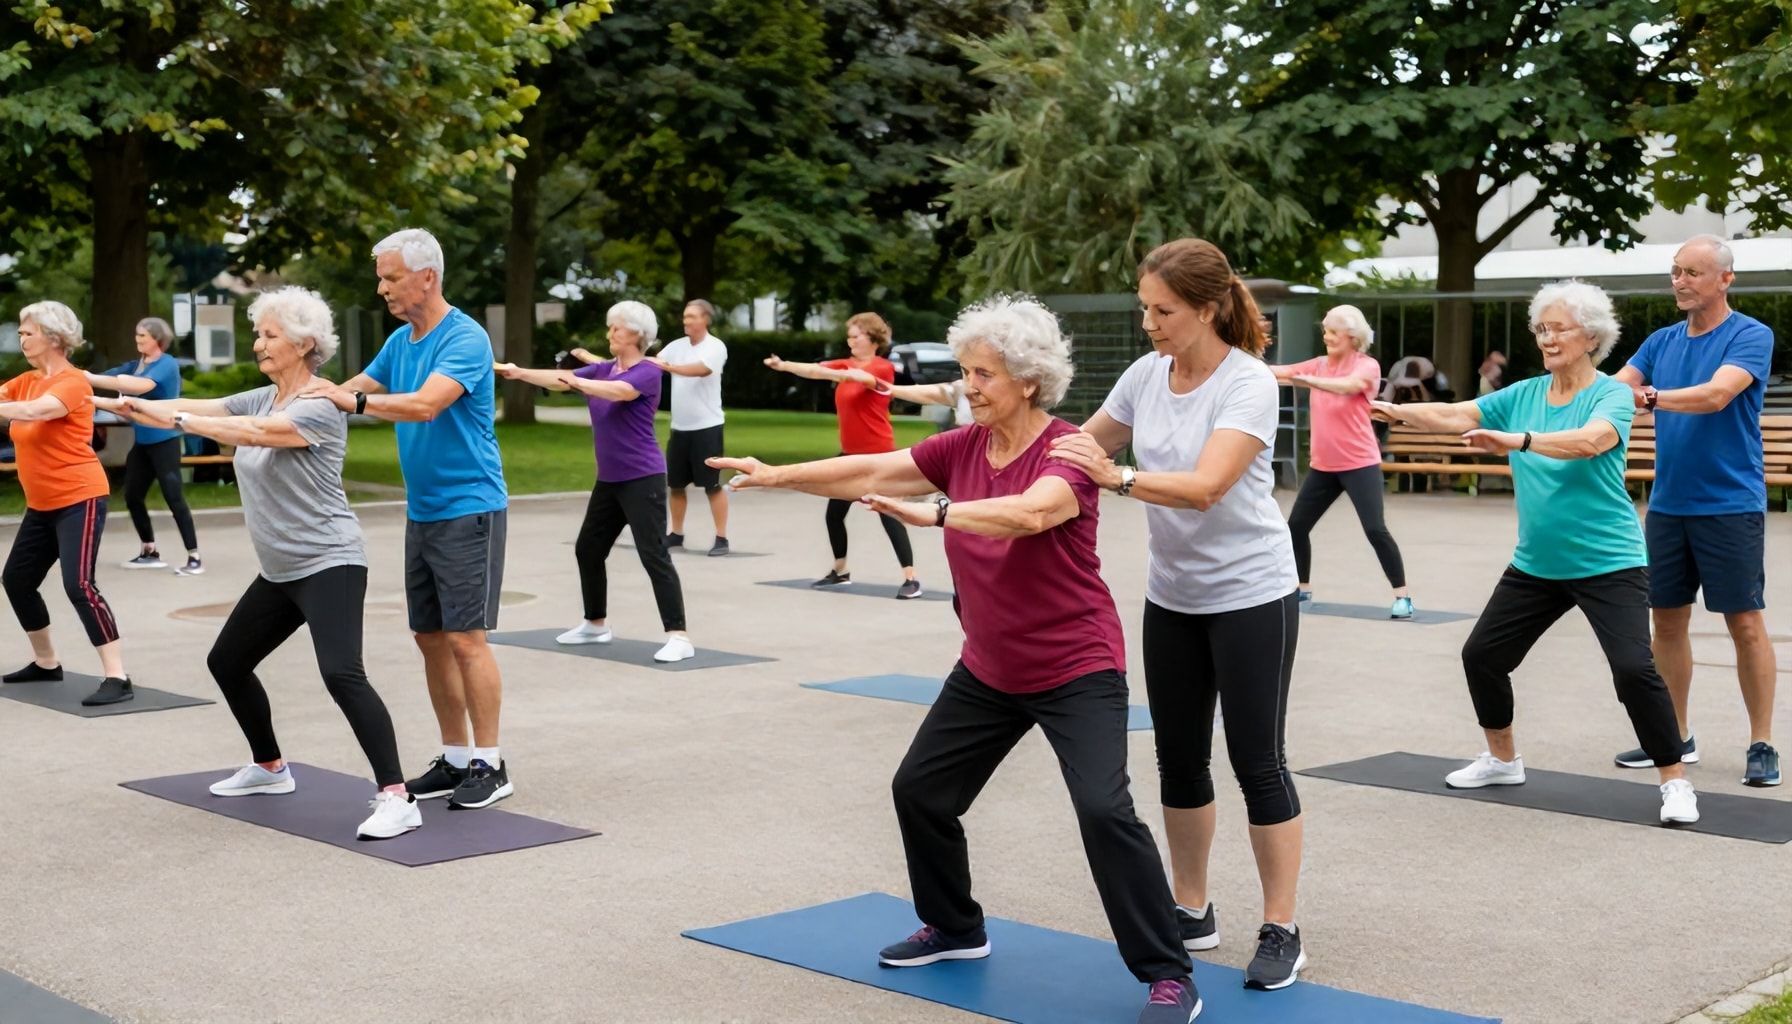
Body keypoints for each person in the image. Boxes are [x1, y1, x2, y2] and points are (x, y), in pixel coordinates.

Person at [711, 295, 1204, 1024]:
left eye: (984, 375)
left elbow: (1029, 514)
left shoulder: (1067, 451)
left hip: (1075, 665)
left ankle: (1168, 974)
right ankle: (956, 927)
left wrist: (939, 513)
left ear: (1029, 382)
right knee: (921, 792)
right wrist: (778, 474)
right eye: (967, 372)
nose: (968, 387)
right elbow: (872, 468)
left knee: (1104, 810)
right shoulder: (962, 447)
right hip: (991, 666)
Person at [1050, 238, 1308, 992]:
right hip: (1174, 596)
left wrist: (1117, 476)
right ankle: (1192, 908)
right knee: (1179, 758)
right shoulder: (1144, 376)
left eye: (1162, 311)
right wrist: (1011, 448)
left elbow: (1205, 486)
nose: (1149, 323)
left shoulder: (1249, 383)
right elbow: (1080, 445)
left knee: (1258, 761)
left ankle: (1282, 927)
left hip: (1254, 594)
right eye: (1144, 309)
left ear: (1205, 308)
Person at [1368, 279, 1699, 825]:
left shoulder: (1611, 394)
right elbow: (1459, 415)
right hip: (1537, 564)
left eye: (1558, 328)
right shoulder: (1523, 394)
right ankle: (1502, 760)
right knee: (1482, 657)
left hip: (1609, 560)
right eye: (1540, 328)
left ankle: (1675, 782)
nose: (1546, 338)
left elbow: (1591, 441)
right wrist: (1397, 413)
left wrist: (1518, 441)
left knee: (1633, 669)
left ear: (1590, 336)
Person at [100, 288, 420, 840]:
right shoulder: (265, 396)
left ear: (305, 344)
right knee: (227, 661)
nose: (259, 344)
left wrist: (173, 417)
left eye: (270, 336)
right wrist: (109, 399)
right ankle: (271, 768)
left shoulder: (319, 403)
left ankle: (397, 796)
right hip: (280, 570)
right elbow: (205, 411)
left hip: (329, 561)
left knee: (341, 673)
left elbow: (247, 434)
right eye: (260, 334)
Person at [302, 228, 513, 810]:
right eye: (382, 277)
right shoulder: (401, 341)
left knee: (468, 639)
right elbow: (353, 386)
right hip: (424, 512)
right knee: (430, 638)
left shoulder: (464, 338)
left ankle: (491, 765)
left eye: (391, 277)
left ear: (428, 277)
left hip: (471, 507)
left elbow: (423, 405)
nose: (382, 287)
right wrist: (297, 404)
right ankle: (455, 757)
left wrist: (352, 403)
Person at [1612, 234, 1779, 786]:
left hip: (1730, 505)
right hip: (1668, 506)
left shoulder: (1750, 335)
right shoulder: (1660, 341)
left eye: (1692, 272)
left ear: (1725, 279)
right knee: (1667, 621)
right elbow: (1617, 391)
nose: (1680, 281)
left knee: (1745, 624)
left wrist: (1652, 398)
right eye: (1675, 271)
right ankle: (1674, 737)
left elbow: (1715, 395)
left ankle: (1762, 743)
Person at [497, 301, 695, 663]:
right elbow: (562, 380)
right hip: (611, 480)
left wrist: (577, 380)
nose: (610, 334)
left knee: (653, 554)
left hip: (643, 478)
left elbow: (618, 392)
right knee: (588, 548)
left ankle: (679, 636)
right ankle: (595, 624)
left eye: (616, 328)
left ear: (637, 334)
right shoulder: (604, 369)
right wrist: (518, 372)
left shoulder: (647, 372)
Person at [0, 301, 133, 707]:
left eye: (28, 331)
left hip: (81, 498)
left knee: (79, 585)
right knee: (17, 580)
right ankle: (46, 662)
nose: (21, 338)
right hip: (42, 505)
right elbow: (12, 401)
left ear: (54, 338)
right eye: (21, 332)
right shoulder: (24, 380)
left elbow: (39, 411)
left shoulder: (74, 383)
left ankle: (117, 676)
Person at [763, 313, 923, 600]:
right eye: (848, 335)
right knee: (834, 514)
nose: (850, 340)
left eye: (856, 335)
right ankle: (840, 571)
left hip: (879, 455)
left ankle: (911, 579)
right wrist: (784, 365)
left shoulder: (883, 368)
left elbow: (862, 378)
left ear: (873, 339)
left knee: (889, 514)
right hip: (849, 454)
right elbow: (814, 370)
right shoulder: (843, 365)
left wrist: (836, 373)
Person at [1270, 304, 1412, 619]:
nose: (1327, 337)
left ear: (1352, 336)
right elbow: (1281, 373)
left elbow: (1346, 387)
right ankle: (1302, 588)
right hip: (1323, 467)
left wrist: (1305, 380)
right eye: (1326, 331)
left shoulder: (1368, 366)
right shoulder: (1319, 364)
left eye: (1333, 332)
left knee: (1375, 529)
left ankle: (1402, 596)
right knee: (1295, 527)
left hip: (1360, 463)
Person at [86, 316, 203, 575]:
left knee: (174, 497)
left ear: (157, 339)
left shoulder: (166, 364)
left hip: (165, 442)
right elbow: (109, 377)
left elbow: (140, 387)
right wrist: (84, 379)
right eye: (137, 335)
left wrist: (91, 383)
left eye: (144, 336)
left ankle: (194, 557)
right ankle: (149, 550)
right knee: (132, 496)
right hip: (143, 443)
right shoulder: (136, 365)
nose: (138, 340)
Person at [649, 299, 730, 556]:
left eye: (692, 316)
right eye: (685, 317)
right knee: (675, 484)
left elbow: (702, 370)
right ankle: (676, 533)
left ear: (705, 319)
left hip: (708, 427)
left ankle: (721, 538)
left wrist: (669, 367)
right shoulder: (676, 346)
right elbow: (654, 364)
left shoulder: (715, 347)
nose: (686, 321)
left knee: (712, 484)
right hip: (680, 428)